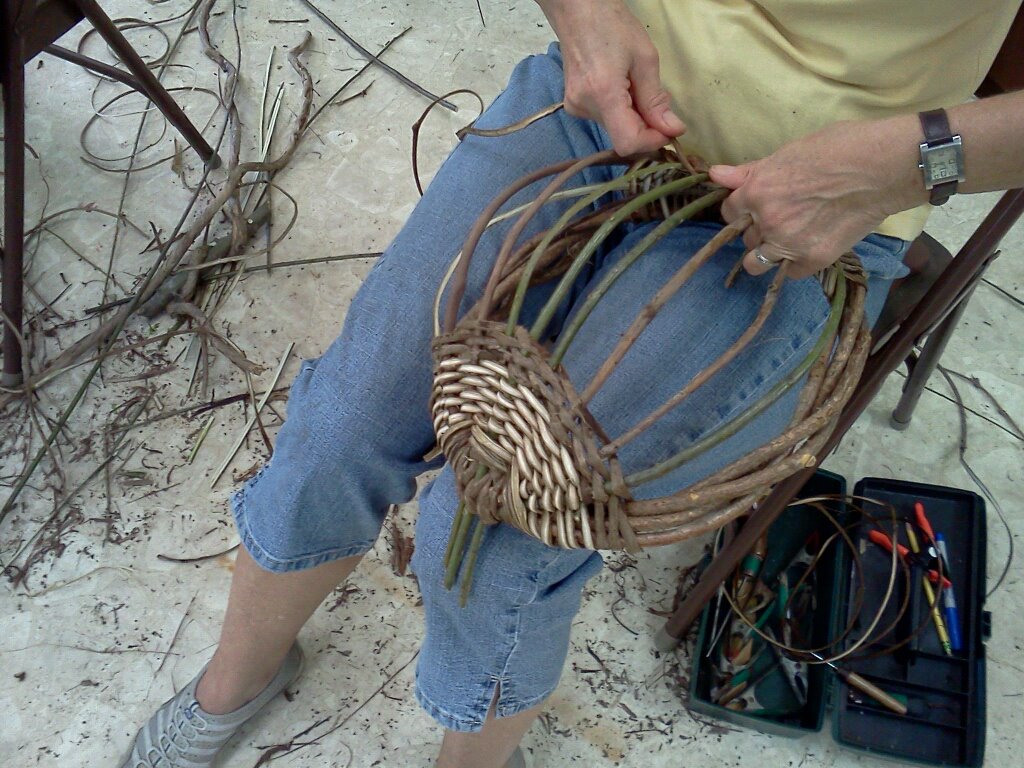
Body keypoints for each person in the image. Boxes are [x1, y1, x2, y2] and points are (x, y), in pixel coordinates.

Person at [121, 1, 1024, 766]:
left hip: (815, 216)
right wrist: (584, 17)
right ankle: (235, 683)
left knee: (497, 530)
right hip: (599, 103)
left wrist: (912, 163)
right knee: (343, 420)